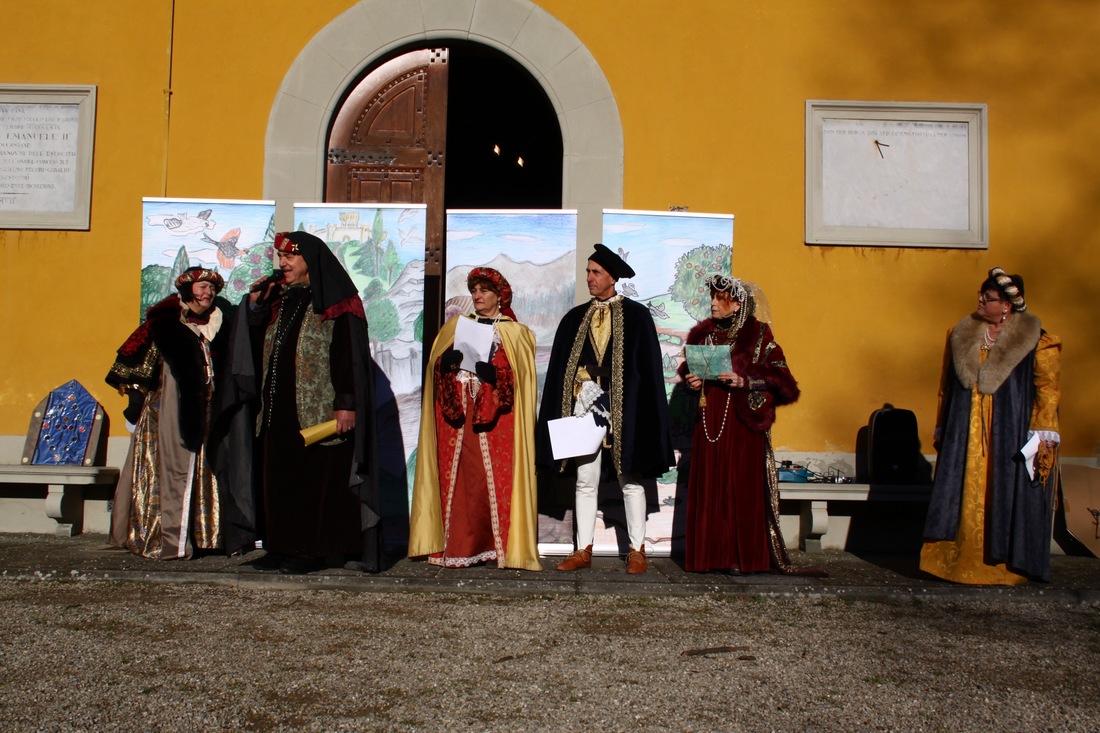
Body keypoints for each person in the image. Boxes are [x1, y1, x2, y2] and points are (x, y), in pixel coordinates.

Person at [246, 231, 380, 574]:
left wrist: (346, 403)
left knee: (313, 479)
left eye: (290, 257)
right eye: (280, 257)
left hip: (317, 408)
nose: (283, 264)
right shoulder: (283, 299)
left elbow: (348, 355)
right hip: (278, 408)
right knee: (278, 477)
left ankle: (310, 550)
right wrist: (257, 307)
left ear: (310, 261)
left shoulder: (337, 301)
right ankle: (278, 544)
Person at [536, 243, 674, 574]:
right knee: (585, 478)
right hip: (586, 410)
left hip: (623, 410)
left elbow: (646, 371)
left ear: (612, 277)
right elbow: (562, 370)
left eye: (596, 272)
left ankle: (637, 549)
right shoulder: (574, 318)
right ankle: (583, 548)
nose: (589, 278)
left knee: (630, 479)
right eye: (587, 271)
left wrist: (621, 398)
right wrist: (580, 387)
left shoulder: (637, 315)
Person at [921, 267, 1061, 585]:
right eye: (981, 295)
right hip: (964, 433)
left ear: (1008, 306)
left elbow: (1048, 389)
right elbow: (945, 385)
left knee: (1006, 491)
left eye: (989, 297)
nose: (981, 301)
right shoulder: (961, 334)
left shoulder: (1035, 341)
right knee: (959, 493)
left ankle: (1006, 568)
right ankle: (953, 564)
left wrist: (1043, 432)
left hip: (1010, 433)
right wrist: (943, 426)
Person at [679, 274, 817, 575]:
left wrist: (746, 380)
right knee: (711, 486)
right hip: (710, 423)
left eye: (720, 298)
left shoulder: (758, 336)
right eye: (712, 297)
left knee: (737, 488)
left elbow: (785, 383)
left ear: (738, 303)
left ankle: (739, 557)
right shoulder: (703, 336)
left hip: (742, 427)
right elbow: (689, 371)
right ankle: (709, 556)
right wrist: (693, 380)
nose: (713, 303)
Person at [408, 267, 540, 570]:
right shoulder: (456, 327)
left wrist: (497, 376)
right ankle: (458, 547)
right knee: (462, 482)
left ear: (499, 296)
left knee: (490, 482)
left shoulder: (515, 332)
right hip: (458, 421)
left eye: (483, 291)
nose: (477, 296)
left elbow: (521, 380)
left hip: (498, 423)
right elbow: (435, 368)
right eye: (474, 291)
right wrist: (446, 365)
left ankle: (497, 547)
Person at [107, 266, 231, 559]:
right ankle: (164, 534)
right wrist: (135, 402)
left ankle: (205, 535)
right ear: (188, 290)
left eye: (211, 288)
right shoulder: (164, 322)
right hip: (166, 413)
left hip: (207, 412)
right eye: (202, 287)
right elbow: (136, 361)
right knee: (164, 469)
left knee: (205, 468)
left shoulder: (220, 322)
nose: (208, 293)